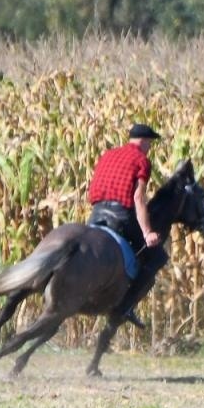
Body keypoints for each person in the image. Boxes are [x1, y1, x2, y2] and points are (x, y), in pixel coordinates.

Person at [87, 122, 167, 328]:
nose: (149, 147)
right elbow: (139, 199)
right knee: (157, 256)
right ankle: (125, 306)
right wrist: (148, 232)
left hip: (96, 214)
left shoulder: (108, 155)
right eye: (150, 142)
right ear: (144, 141)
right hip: (120, 216)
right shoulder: (141, 160)